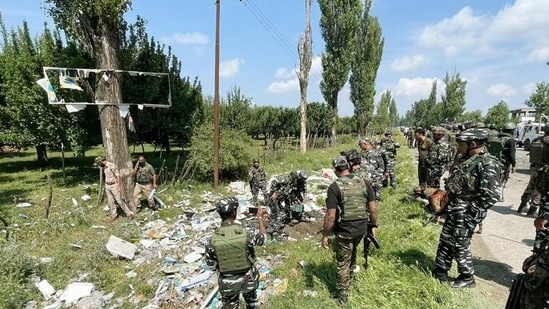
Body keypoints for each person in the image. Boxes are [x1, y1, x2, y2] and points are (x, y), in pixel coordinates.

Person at [432, 128, 501, 288]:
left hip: (467, 213)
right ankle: (441, 270)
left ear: (473, 144)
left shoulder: (488, 164)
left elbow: (491, 196)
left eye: (461, 144)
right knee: (446, 240)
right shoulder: (465, 160)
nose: (458, 147)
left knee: (461, 243)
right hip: (454, 209)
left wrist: (471, 213)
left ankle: (467, 277)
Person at [321, 156, 377, 305]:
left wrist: (325, 235)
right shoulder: (364, 182)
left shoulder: (334, 187)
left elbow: (330, 216)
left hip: (345, 231)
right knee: (352, 254)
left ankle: (343, 296)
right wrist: (372, 227)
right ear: (348, 166)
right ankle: (351, 281)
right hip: (361, 229)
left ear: (334, 169)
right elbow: (373, 209)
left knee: (342, 263)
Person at [205, 197, 266, 309]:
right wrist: (260, 218)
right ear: (234, 212)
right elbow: (264, 239)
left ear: (219, 214)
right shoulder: (247, 232)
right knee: (252, 304)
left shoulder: (212, 239)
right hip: (249, 280)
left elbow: (210, 266)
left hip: (227, 284)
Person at [518, 124, 549, 216]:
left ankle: (522, 205)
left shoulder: (537, 139)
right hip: (545, 169)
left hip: (534, 167)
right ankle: (532, 210)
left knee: (531, 186)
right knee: (540, 189)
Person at [94, 156, 134, 222]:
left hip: (114, 185)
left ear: (101, 161)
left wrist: (118, 186)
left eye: (98, 163)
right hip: (107, 185)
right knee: (111, 201)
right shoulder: (104, 167)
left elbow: (118, 176)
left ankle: (129, 214)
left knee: (119, 200)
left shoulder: (111, 165)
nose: (99, 165)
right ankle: (114, 215)